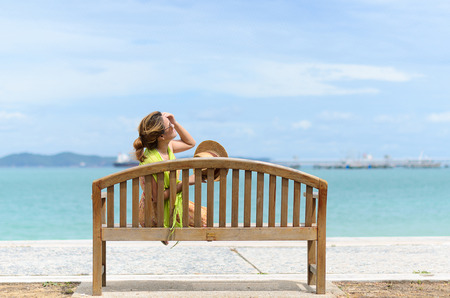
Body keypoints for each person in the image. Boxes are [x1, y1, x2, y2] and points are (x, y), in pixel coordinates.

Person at [133, 111, 207, 234]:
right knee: (205, 220)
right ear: (161, 136)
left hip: (169, 203)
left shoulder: (169, 147)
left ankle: (163, 231)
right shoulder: (151, 162)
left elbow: (191, 143)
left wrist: (175, 122)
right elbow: (158, 198)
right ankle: (160, 229)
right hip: (154, 213)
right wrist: (187, 182)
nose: (172, 126)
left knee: (204, 216)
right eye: (170, 126)